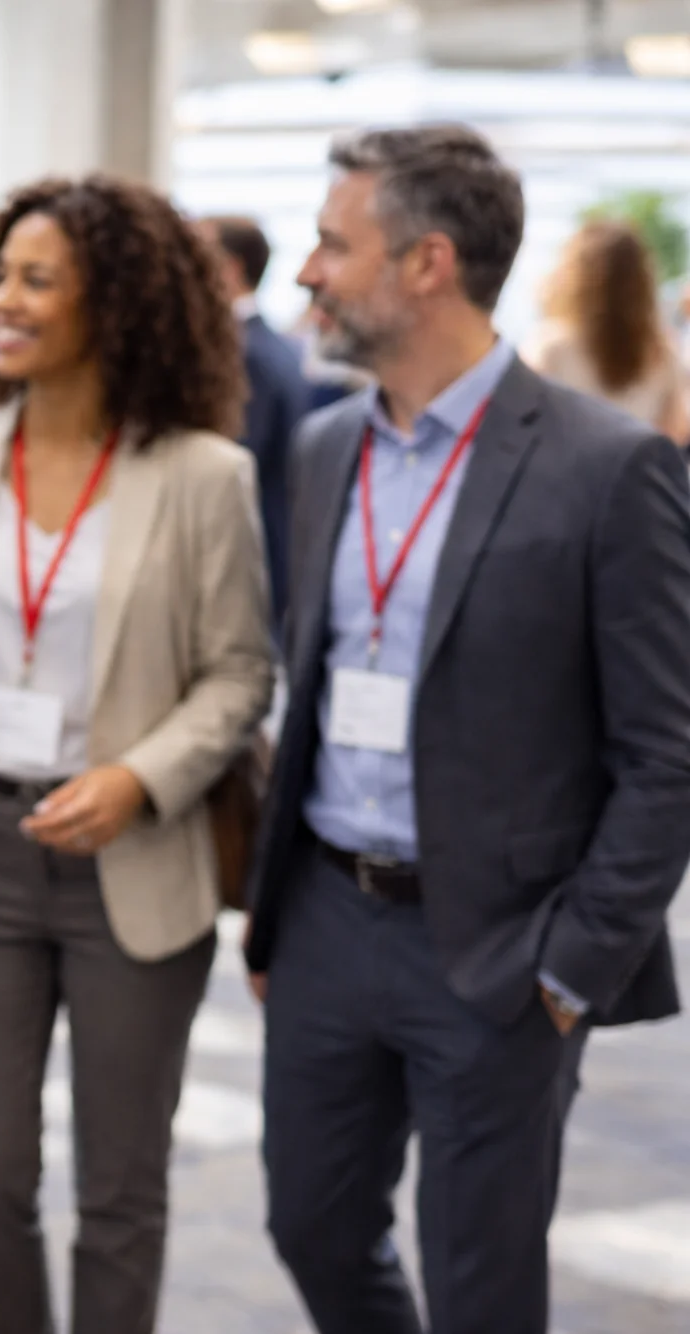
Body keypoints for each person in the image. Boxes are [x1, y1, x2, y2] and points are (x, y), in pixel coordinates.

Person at [246, 124, 690, 1334]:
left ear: (425, 263)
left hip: (500, 950)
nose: (307, 272)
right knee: (310, 1222)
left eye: (332, 245)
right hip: (326, 918)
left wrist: (570, 964)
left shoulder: (607, 468)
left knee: (481, 1282)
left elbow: (665, 751)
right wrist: (278, 913)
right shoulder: (322, 447)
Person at [0, 176, 275, 1334]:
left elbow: (239, 673)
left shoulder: (202, 475)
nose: (0, 300)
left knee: (120, 1189)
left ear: (117, 302)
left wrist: (138, 776)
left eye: (35, 280)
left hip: (134, 859)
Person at [202, 215, 310, 627]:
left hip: (250, 567)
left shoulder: (245, 355)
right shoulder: (274, 345)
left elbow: (234, 471)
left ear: (230, 269)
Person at [525, 218, 690, 442]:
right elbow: (675, 432)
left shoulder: (551, 346)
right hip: (637, 463)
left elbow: (523, 421)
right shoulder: (662, 353)